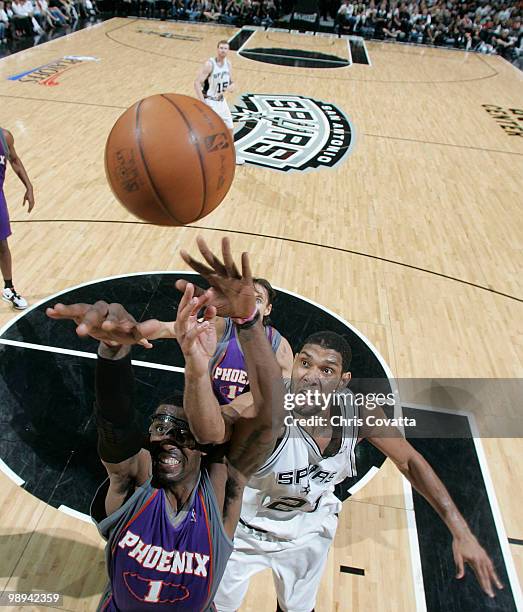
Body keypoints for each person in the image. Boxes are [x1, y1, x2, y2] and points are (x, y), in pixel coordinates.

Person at [175, 328, 503, 611]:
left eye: (326, 370)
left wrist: (461, 530)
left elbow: (410, 461)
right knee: (216, 605)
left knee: (296, 608)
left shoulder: (357, 413)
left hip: (307, 532)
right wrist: (197, 372)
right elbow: (214, 428)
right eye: (305, 363)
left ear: (343, 380)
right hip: (244, 530)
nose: (312, 376)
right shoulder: (264, 405)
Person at [46, 238, 285, 611]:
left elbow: (269, 414)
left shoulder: (223, 493)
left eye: (179, 431)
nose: (169, 437)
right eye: (160, 426)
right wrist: (114, 352)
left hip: (224, 424)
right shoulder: (132, 487)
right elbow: (115, 424)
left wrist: (247, 321)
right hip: (210, 415)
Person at [194, 40, 245, 166]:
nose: (223, 50)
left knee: (230, 129)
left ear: (228, 51)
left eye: (225, 48)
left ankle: (231, 155)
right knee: (211, 132)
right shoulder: (209, 65)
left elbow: (231, 81)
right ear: (217, 49)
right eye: (221, 48)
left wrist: (233, 86)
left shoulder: (228, 64)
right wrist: (203, 103)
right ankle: (204, 157)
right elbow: (196, 83)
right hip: (210, 101)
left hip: (221, 101)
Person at [0, 128, 34, 310]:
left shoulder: (4, 137)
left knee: (2, 246)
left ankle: (9, 288)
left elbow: (14, 160)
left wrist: (29, 187)